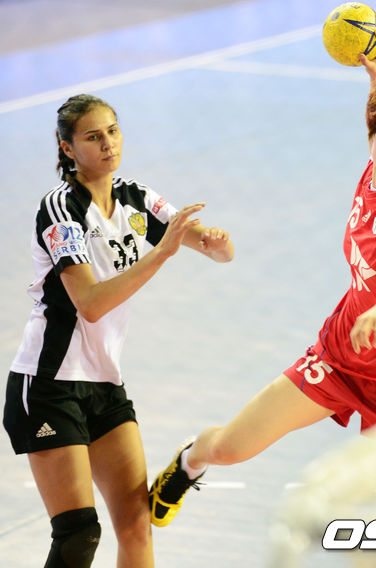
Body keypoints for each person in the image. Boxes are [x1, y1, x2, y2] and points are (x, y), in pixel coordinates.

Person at [149, 16, 376, 553]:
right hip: (343, 355)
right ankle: (189, 462)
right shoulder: (375, 167)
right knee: (232, 447)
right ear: (372, 135)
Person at [2, 93, 234, 568]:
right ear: (68, 148)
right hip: (48, 385)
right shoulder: (61, 209)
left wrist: (216, 243)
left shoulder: (135, 198)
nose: (108, 143)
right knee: (78, 535)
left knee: (136, 527)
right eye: (93, 136)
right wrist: (161, 253)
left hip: (104, 384)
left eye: (112, 130)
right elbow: (90, 304)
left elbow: (216, 251)